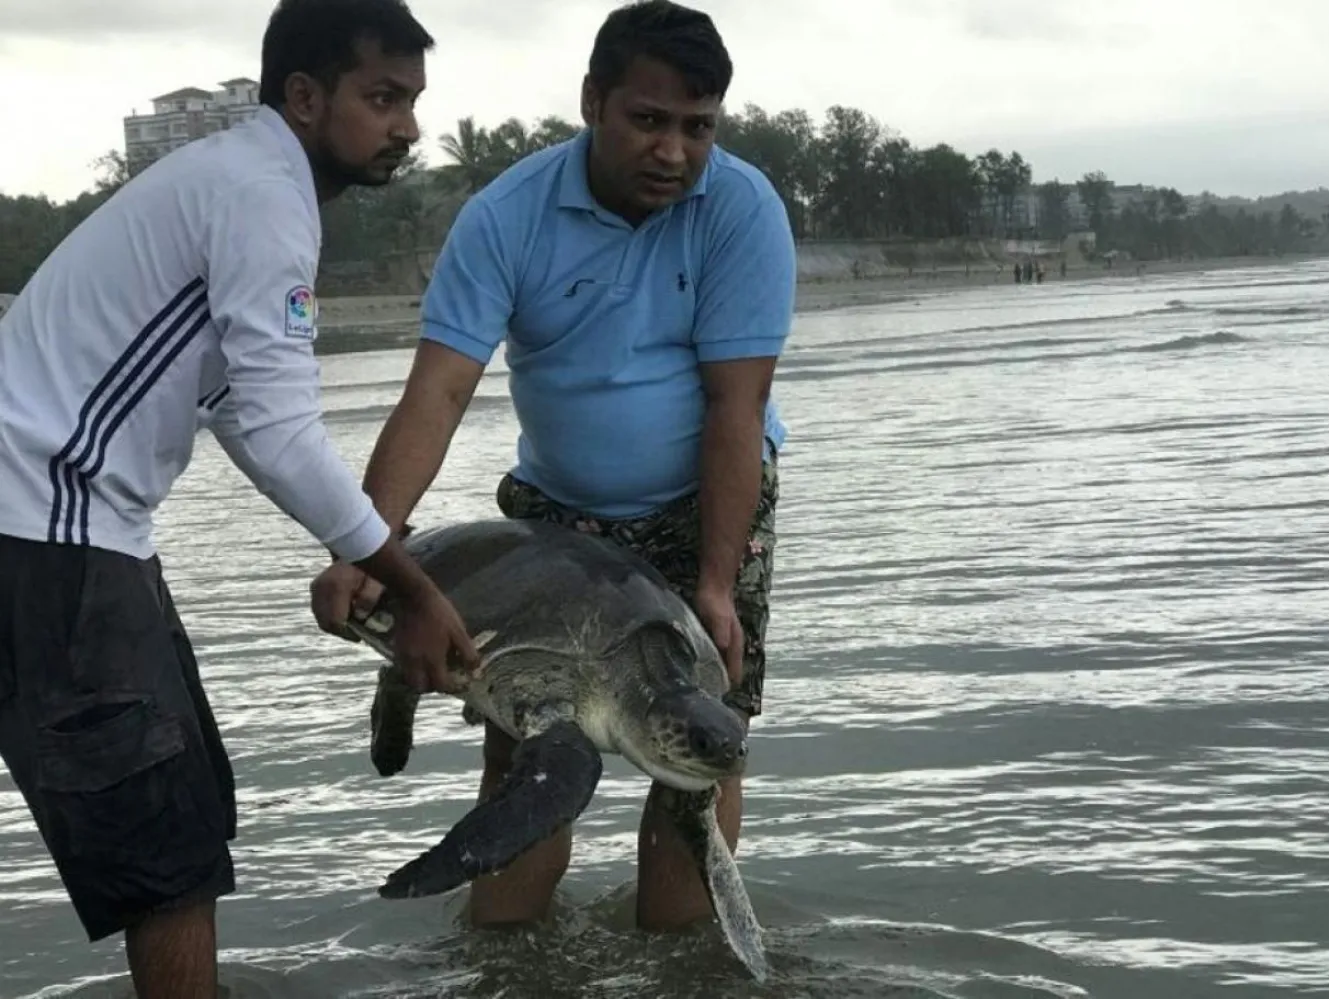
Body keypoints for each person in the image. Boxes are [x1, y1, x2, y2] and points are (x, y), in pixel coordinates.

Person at [0, 1, 480, 995]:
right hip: (47, 528)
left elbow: (232, 408)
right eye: (383, 98)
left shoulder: (237, 180)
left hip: (67, 528)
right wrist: (417, 590)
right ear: (304, 98)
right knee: (167, 856)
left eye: (414, 102)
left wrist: (361, 555)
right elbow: (277, 429)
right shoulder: (264, 193)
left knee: (185, 819)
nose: (408, 127)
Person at [309, 0, 796, 936]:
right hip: (558, 518)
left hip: (707, 503)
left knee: (697, 760)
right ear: (592, 102)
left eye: (698, 128)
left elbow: (737, 408)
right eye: (648, 120)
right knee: (530, 755)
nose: (674, 151)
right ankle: (503, 961)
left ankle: (682, 964)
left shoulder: (741, 209)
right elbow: (438, 395)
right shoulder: (506, 216)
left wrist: (717, 585)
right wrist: (361, 542)